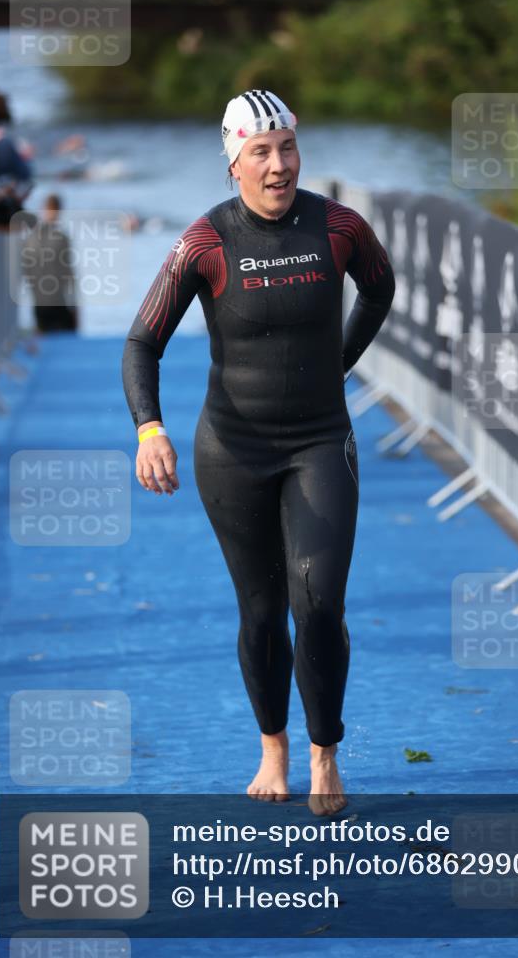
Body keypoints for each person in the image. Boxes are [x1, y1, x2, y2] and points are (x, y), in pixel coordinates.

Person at [122, 89, 394, 815]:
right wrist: (151, 429)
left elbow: (379, 288)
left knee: (319, 601)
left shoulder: (338, 227)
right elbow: (142, 342)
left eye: (288, 150)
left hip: (318, 441)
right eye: (261, 153)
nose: (279, 166)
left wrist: (337, 363)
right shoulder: (205, 242)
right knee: (261, 609)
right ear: (233, 162)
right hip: (232, 450)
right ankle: (272, 748)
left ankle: (323, 752)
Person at [21, 194, 78, 333]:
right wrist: (75, 306)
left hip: (40, 301)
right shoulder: (61, 238)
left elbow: (26, 271)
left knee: (44, 338)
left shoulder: (30, 238)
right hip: (58, 301)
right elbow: (68, 273)